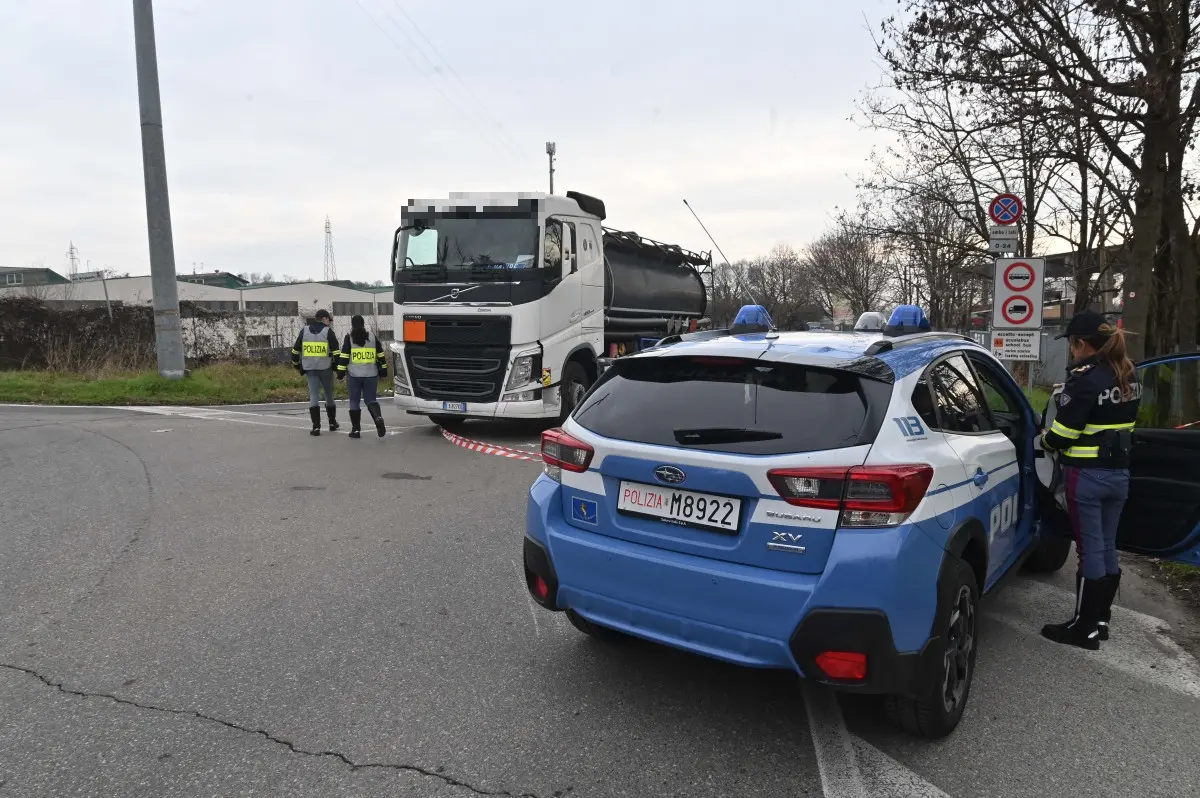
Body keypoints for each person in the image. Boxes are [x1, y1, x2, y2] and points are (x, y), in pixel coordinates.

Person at [1038, 311, 1140, 650]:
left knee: (1089, 551)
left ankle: (1082, 629)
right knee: (1108, 547)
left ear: (1081, 344)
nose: (1071, 351)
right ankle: (1100, 620)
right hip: (1119, 476)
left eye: (1071, 344)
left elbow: (1064, 434)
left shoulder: (1085, 379)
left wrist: (1043, 441)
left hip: (1087, 478)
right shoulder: (1127, 374)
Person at [336, 314, 388, 438]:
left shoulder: (349, 338)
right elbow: (380, 354)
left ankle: (356, 430)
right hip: (371, 374)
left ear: (352, 325)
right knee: (371, 400)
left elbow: (344, 356)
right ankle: (378, 418)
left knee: (354, 401)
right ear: (364, 324)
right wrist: (383, 370)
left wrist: (340, 373)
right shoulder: (372, 337)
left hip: (354, 375)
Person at [291, 309, 341, 436]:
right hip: (326, 369)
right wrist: (339, 369)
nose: (329, 322)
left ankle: (316, 427)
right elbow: (336, 353)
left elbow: (295, 351)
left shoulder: (304, 331)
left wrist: (297, 365)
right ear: (324, 318)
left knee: (313, 395)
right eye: (328, 319)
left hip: (310, 369)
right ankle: (332, 423)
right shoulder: (328, 332)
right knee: (328, 394)